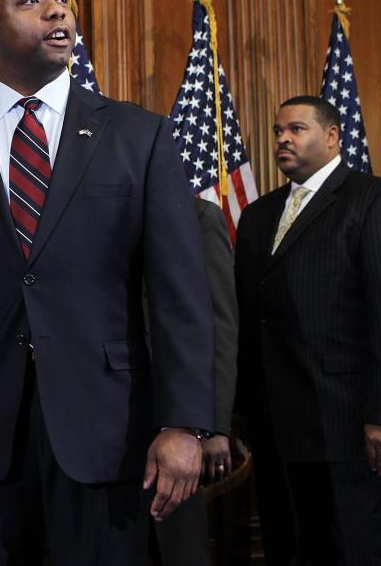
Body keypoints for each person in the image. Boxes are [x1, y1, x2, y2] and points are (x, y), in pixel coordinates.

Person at [0, 0, 215, 565]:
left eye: (62, 0)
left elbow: (181, 298)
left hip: (109, 438)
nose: (58, 10)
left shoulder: (138, 138)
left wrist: (185, 422)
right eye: (32, 1)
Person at [235, 95, 381, 565]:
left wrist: (378, 413)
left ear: (333, 136)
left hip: (343, 422)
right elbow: (244, 318)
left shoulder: (368, 198)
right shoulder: (258, 215)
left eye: (296, 129)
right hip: (274, 425)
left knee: (349, 547)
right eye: (278, 131)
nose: (282, 139)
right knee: (289, 547)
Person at [151, 198, 238, 566]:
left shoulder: (199, 217)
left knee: (178, 548)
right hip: (110, 426)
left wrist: (213, 425)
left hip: (181, 422)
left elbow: (221, 326)